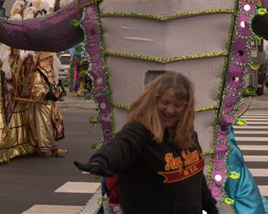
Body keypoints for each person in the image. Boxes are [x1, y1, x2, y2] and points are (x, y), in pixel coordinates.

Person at [74, 71, 218, 214]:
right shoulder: (140, 130)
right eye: (165, 102)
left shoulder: (188, 134)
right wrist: (101, 160)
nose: (170, 110)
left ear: (186, 108)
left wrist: (211, 208)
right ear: (154, 100)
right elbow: (122, 145)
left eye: (177, 105)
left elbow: (196, 178)